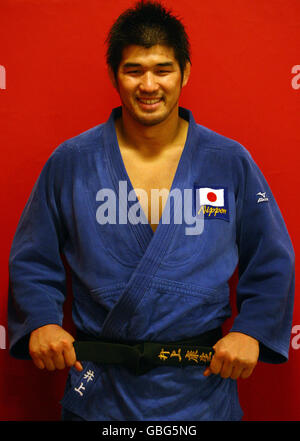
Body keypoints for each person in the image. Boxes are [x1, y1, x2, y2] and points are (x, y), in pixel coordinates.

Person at [7, 0, 295, 421]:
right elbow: (32, 258)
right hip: (101, 390)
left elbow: (272, 258)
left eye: (162, 69)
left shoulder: (227, 161)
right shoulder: (72, 162)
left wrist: (251, 330)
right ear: (113, 75)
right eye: (134, 70)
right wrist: (41, 322)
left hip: (200, 388)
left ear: (185, 73)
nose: (149, 85)